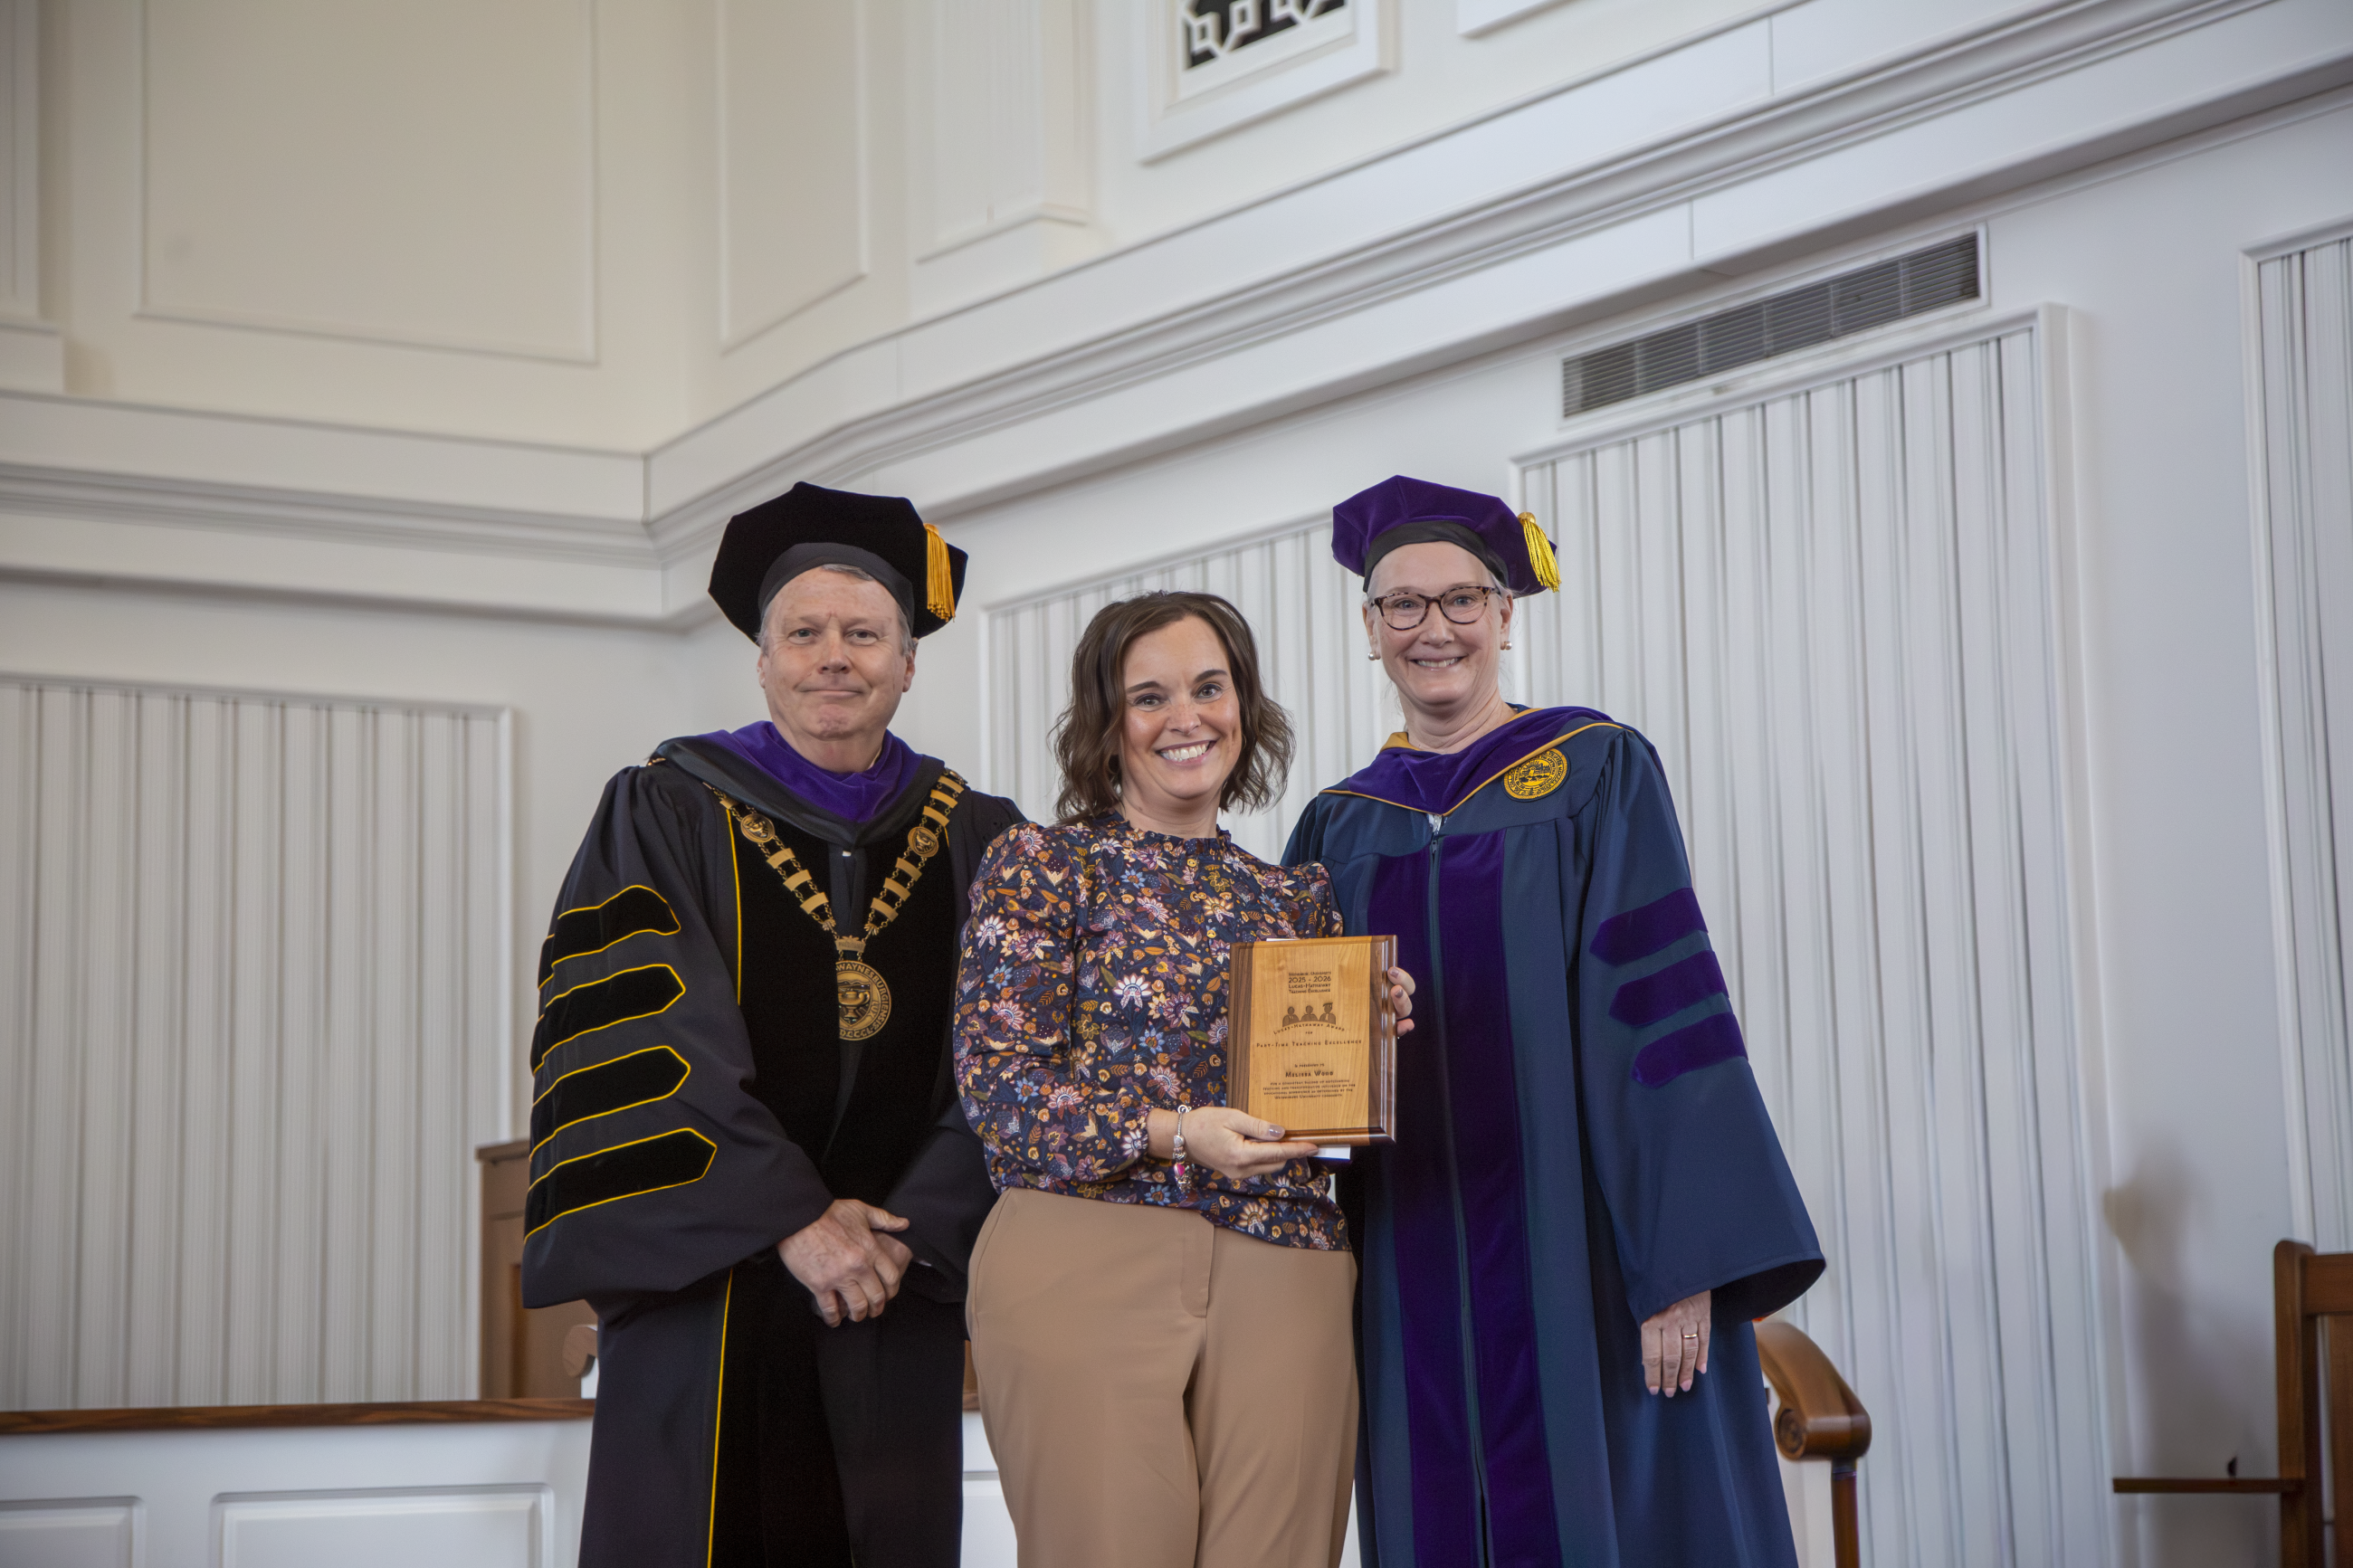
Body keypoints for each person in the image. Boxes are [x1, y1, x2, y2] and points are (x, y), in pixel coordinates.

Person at [1284, 475, 1824, 1568]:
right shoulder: (1337, 824)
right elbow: (1307, 1070)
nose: (1433, 629)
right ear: (1368, 629)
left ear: (1505, 615)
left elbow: (1664, 1014)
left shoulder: (1593, 771)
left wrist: (1679, 1254)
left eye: (1460, 600)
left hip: (1582, 1243)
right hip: (1406, 1245)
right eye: (1403, 606)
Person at [522, 481, 1024, 1568]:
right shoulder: (665, 810)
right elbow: (638, 1047)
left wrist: (902, 1229)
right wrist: (793, 1217)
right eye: (804, 631)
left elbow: (1008, 1057)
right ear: (762, 658)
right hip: (717, 1281)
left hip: (898, 1277)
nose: (833, 654)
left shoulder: (983, 836)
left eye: (863, 631)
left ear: (906, 660)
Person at [951, 591, 1415, 1568]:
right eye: (1148, 695)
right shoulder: (1040, 865)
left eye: (1209, 687)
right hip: (1085, 1251)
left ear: (1243, 702)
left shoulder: (1299, 896)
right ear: (1106, 722)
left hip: (1285, 1258)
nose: (1186, 717)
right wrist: (1172, 1129)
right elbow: (1000, 1093)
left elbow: (1317, 1112)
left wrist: (1372, 1030)